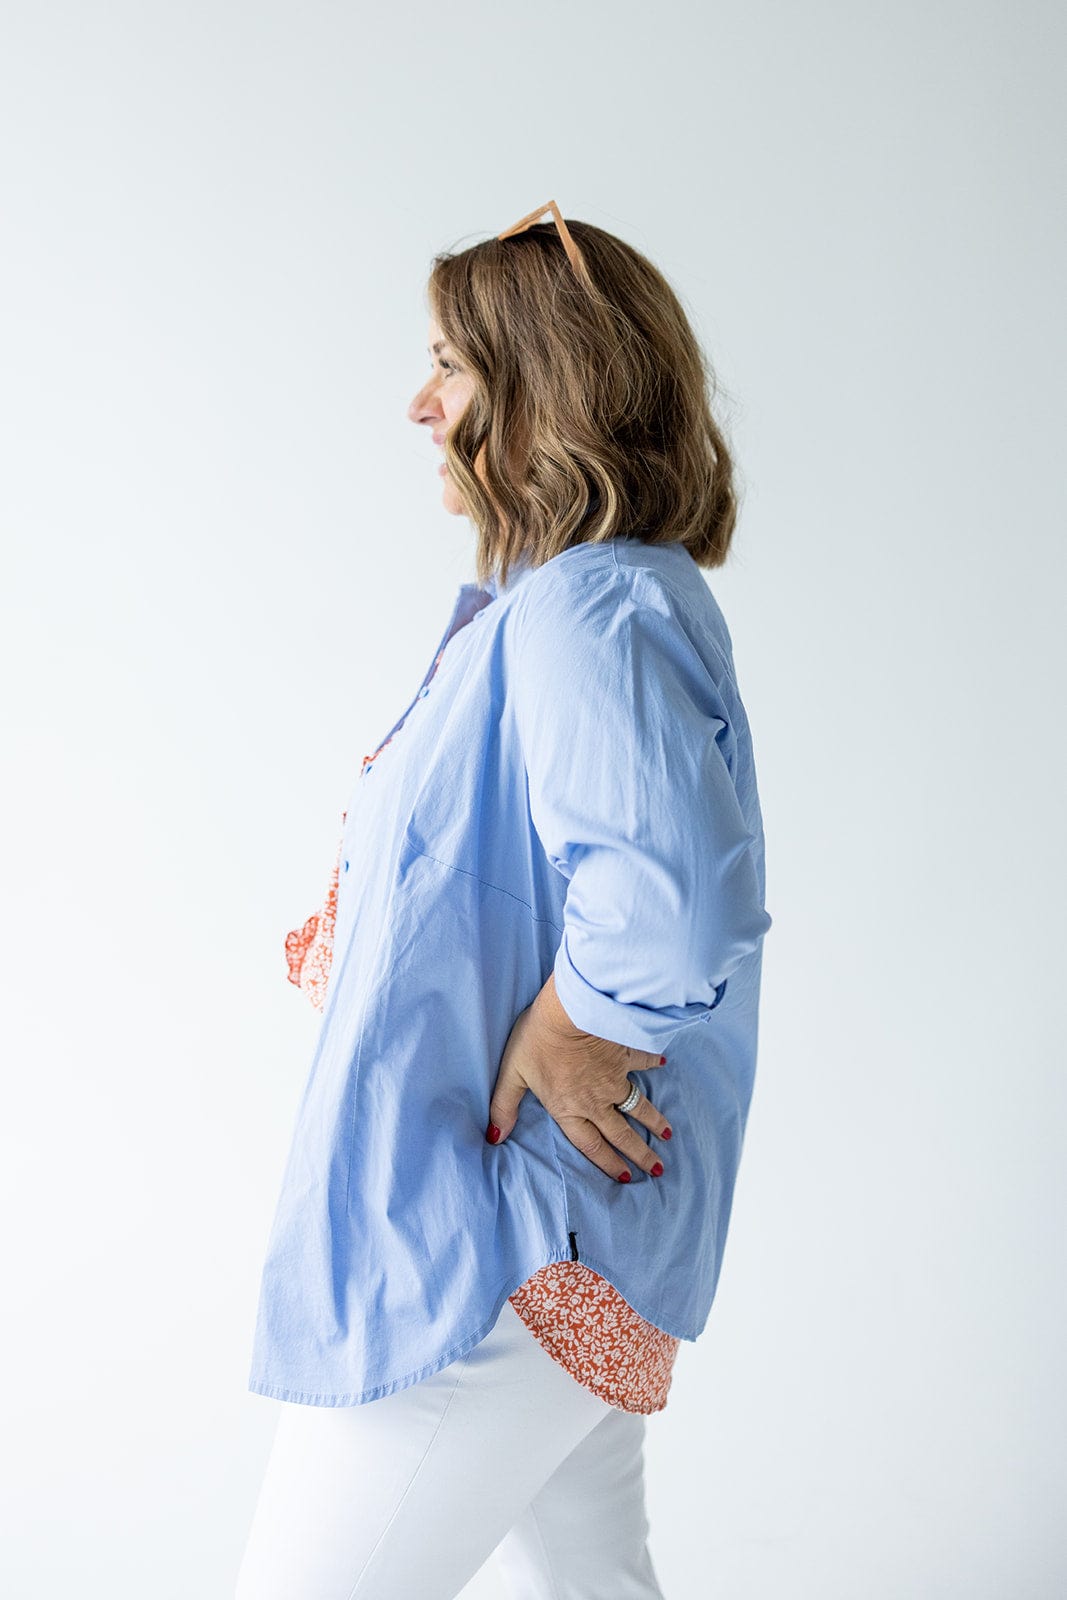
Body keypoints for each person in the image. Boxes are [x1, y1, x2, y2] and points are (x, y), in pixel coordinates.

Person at [235, 201, 773, 1600]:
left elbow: (671, 908)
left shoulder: (586, 611)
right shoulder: (570, 606)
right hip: (542, 1232)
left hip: (502, 1248)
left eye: (453, 370)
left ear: (546, 388)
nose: (421, 406)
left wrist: (575, 1023)